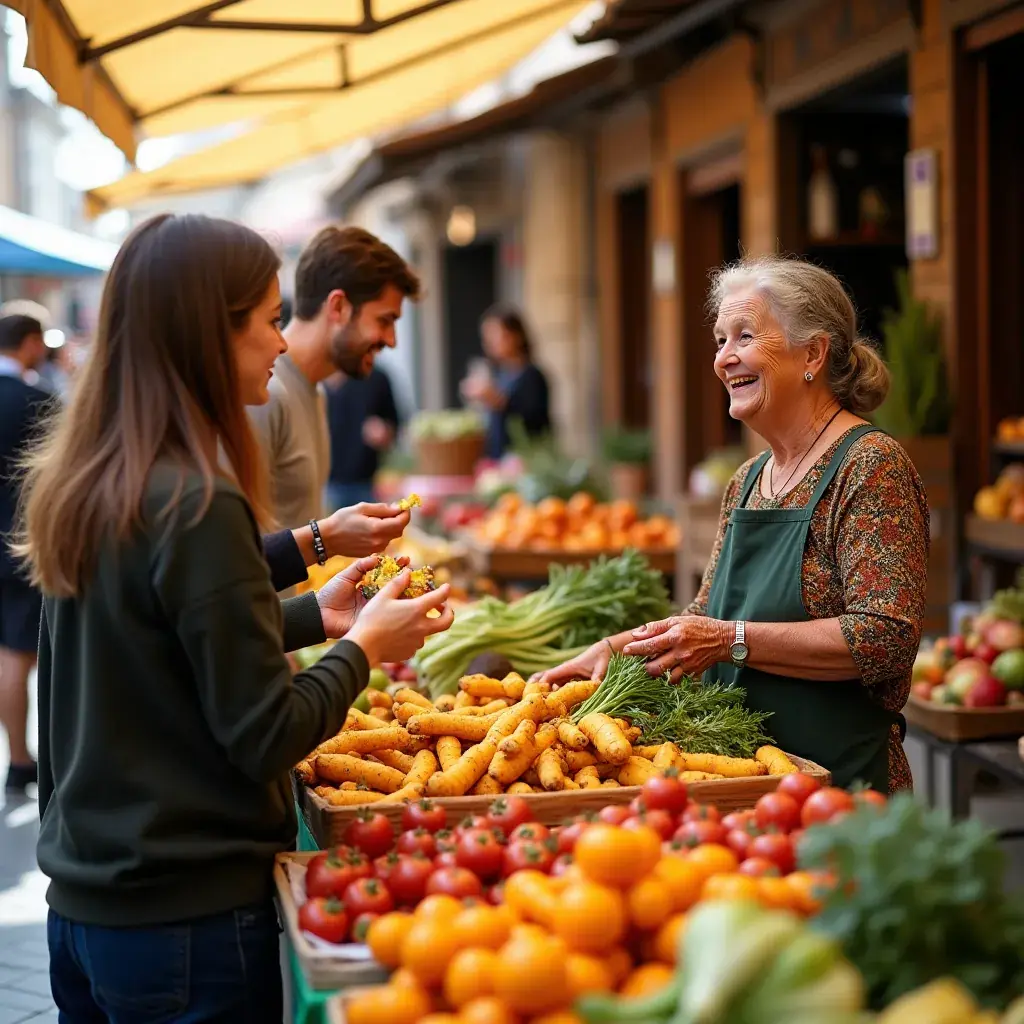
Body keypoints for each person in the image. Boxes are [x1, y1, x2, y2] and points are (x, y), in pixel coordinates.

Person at [15, 213, 453, 1021]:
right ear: (208, 335)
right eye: (266, 320)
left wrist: (312, 615)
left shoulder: (87, 479)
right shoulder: (196, 499)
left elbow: (156, 647)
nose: (282, 344)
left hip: (86, 906)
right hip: (185, 919)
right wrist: (363, 646)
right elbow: (264, 735)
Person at [540, 255, 929, 794]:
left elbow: (884, 637)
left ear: (813, 352)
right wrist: (616, 649)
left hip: (841, 785)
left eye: (744, 336)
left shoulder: (869, 465)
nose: (724, 359)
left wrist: (731, 640)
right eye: (720, 340)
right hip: (745, 780)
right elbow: (706, 617)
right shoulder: (747, 479)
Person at [250, 225, 420, 538]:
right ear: (338, 307)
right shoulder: (267, 394)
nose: (392, 340)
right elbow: (237, 557)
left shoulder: (313, 392)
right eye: (384, 320)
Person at [0, 314, 52, 793]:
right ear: (31, 343)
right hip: (20, 542)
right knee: (18, 651)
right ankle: (20, 759)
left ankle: (19, 756)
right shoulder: (36, 401)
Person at [460, 305, 551, 460]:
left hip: (525, 460)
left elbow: (532, 422)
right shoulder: (500, 376)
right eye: (487, 337)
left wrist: (496, 399)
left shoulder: (531, 376)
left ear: (516, 336)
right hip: (498, 461)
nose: (490, 343)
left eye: (496, 335)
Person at [324, 366, 400, 511]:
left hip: (365, 484)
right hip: (324, 485)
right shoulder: (316, 378)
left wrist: (383, 431)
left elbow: (394, 426)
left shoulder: (377, 378)